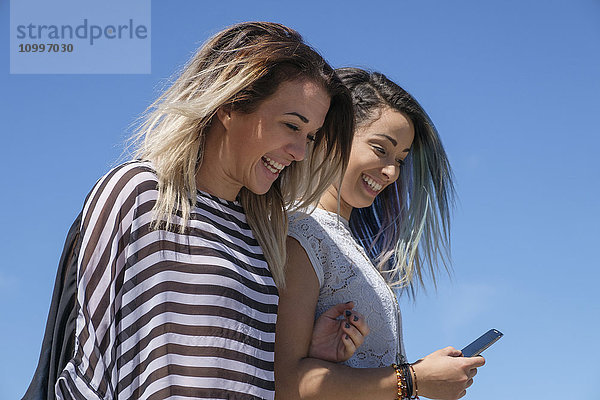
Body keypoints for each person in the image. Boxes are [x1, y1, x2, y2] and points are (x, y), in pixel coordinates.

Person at [28, 22, 366, 400]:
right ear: (231, 103)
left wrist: (310, 355)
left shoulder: (264, 236)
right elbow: (89, 369)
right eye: (291, 125)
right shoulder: (140, 194)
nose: (300, 152)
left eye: (310, 137)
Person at [275, 68, 486, 400]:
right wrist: (413, 379)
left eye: (400, 159)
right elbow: (286, 383)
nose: (391, 172)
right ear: (333, 134)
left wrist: (418, 374)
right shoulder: (303, 232)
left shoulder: (338, 238)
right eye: (380, 149)